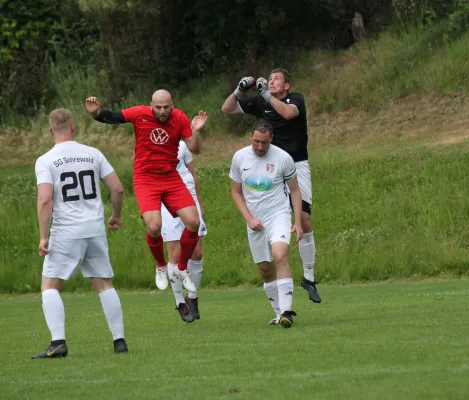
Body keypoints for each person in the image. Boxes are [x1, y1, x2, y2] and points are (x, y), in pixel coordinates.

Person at [85, 91, 207, 294]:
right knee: (154, 226)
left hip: (171, 177)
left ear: (172, 105)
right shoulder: (139, 113)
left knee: (193, 222)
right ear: (151, 105)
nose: (162, 111)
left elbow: (195, 149)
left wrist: (195, 130)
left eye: (166, 107)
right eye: (158, 107)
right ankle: (161, 265)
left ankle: (182, 269)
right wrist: (96, 114)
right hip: (146, 178)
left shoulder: (180, 118)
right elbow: (114, 117)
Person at [33, 108, 128, 359]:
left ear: (51, 130)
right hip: (94, 229)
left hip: (66, 231)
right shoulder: (93, 154)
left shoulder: (46, 160)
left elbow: (44, 201)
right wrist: (116, 216)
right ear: (74, 128)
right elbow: (117, 189)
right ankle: (119, 341)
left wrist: (44, 237)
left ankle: (58, 343)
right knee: (104, 284)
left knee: (50, 285)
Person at [222, 68, 321, 304]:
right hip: (270, 166)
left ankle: (309, 278)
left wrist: (267, 96)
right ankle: (276, 277)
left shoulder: (294, 99)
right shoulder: (261, 102)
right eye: (271, 79)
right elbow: (227, 109)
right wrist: (238, 90)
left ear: (287, 85)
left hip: (296, 163)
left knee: (304, 220)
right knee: (269, 218)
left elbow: (287, 114)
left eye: (277, 79)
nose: (272, 81)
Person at [229, 119, 303, 328]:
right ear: (250, 137)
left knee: (280, 255)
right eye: (256, 142)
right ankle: (279, 313)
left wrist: (297, 222)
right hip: (255, 221)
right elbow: (235, 192)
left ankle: (288, 311)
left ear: (271, 139)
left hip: (278, 214)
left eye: (265, 142)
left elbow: (295, 190)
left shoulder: (283, 158)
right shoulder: (239, 158)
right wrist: (249, 218)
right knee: (265, 270)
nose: (260, 147)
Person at [157, 140, 207, 323]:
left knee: (197, 252)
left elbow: (193, 175)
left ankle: (192, 297)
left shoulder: (182, 144)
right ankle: (180, 302)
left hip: (189, 196)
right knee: (175, 254)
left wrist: (200, 204)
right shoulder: (150, 143)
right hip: (166, 198)